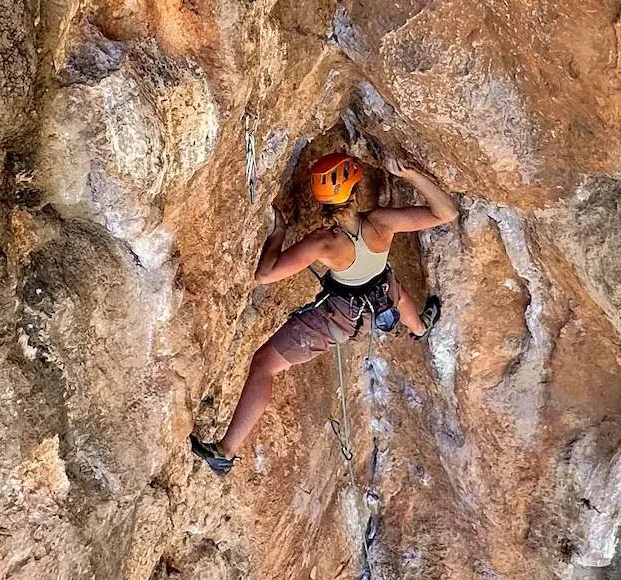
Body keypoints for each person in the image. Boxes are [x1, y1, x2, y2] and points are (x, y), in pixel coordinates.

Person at [191, 151, 456, 474]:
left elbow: (266, 273)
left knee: (265, 364)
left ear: (322, 201)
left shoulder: (323, 243)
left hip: (341, 319)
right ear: (355, 192)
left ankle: (226, 450)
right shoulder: (381, 222)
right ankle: (418, 328)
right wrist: (411, 174)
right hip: (381, 300)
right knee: (393, 289)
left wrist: (279, 233)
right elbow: (446, 212)